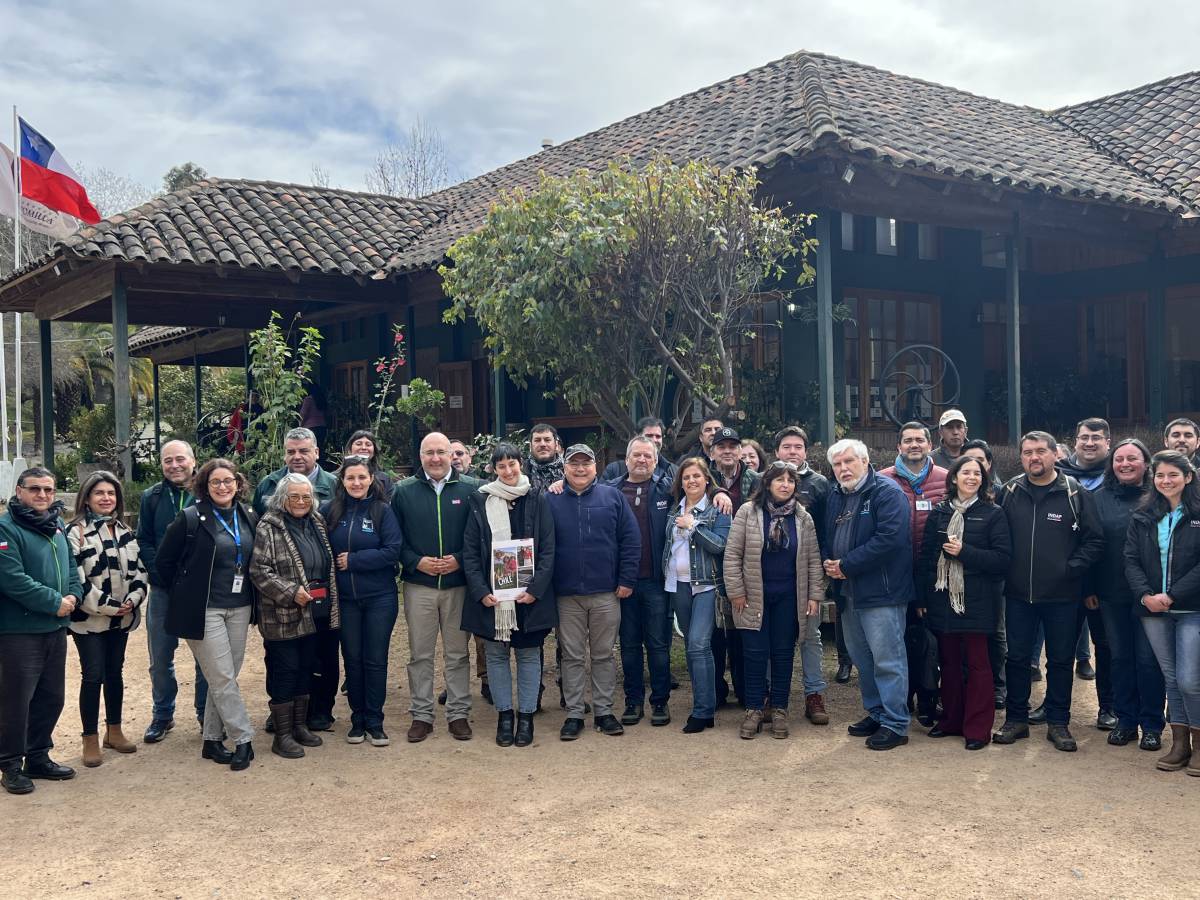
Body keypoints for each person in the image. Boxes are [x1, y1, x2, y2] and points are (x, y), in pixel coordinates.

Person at [993, 432, 1104, 753]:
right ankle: (1016, 720)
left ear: (1056, 455)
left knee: (1059, 660)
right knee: (1016, 659)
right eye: (1027, 452)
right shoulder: (1009, 492)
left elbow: (1094, 541)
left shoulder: (1075, 493)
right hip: (1017, 595)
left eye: (1041, 451)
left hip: (1062, 596)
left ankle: (1058, 723)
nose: (1034, 457)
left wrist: (1069, 570)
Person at [157, 458, 259, 771]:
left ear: (238, 484)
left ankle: (212, 739)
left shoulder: (248, 515)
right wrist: (186, 592)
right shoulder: (190, 518)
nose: (223, 486)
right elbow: (163, 564)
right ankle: (243, 738)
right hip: (205, 610)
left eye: (228, 480)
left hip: (240, 606)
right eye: (216, 481)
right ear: (205, 485)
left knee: (224, 677)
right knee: (223, 677)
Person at [462, 443, 556, 747]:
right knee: (497, 655)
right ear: (493, 469)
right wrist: (480, 591)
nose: (508, 470)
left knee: (529, 656)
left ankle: (526, 716)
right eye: (501, 465)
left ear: (521, 464)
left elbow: (548, 548)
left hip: (529, 598)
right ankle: (505, 716)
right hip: (493, 598)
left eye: (512, 463)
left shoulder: (537, 498)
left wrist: (535, 589)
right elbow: (471, 552)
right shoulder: (480, 500)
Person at [823, 440, 914, 750]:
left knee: (888, 660)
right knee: (863, 658)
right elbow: (829, 536)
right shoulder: (837, 495)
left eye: (849, 461)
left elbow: (890, 539)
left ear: (865, 461)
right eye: (837, 464)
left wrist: (846, 564)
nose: (843, 468)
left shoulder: (887, 493)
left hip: (882, 593)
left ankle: (896, 724)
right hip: (849, 593)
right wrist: (829, 560)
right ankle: (877, 713)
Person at [546, 444, 640, 740]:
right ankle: (574, 713)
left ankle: (604, 711)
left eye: (586, 463)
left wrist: (626, 579)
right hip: (566, 593)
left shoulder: (612, 497)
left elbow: (631, 540)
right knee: (571, 656)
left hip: (605, 593)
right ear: (565, 468)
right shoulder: (550, 499)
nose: (580, 468)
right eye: (574, 463)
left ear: (595, 467)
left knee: (603, 655)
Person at [917, 456, 1012, 750]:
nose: (971, 477)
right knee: (949, 663)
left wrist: (964, 552)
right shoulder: (940, 513)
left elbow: (1002, 560)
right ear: (954, 478)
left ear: (983, 480)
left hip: (979, 599)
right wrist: (922, 596)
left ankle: (977, 728)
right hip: (942, 598)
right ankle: (951, 720)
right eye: (965, 472)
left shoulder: (993, 514)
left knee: (979, 665)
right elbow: (927, 558)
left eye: (977, 473)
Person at [725, 462, 823, 740]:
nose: (785, 485)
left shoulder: (803, 517)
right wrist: (736, 591)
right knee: (754, 655)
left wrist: (815, 594)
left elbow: (814, 559)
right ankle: (754, 709)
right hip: (753, 596)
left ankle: (779, 709)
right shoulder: (748, 512)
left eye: (790, 480)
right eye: (779, 480)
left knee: (782, 654)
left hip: (789, 598)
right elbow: (732, 555)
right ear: (767, 484)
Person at [392, 431, 479, 743]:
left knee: (457, 653)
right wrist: (416, 562)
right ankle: (422, 714)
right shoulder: (403, 491)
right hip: (420, 586)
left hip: (458, 585)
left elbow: (480, 536)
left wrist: (460, 559)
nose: (436, 458)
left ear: (452, 455)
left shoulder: (472, 489)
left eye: (442, 452)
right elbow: (394, 538)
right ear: (420, 456)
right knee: (420, 654)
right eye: (430, 453)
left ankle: (458, 713)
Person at [0, 468, 83, 795]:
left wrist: (74, 594)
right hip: (19, 631)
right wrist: (54, 602)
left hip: (54, 627)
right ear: (19, 491)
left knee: (51, 697)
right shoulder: (6, 528)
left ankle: (38, 756)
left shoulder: (57, 524)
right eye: (35, 489)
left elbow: (71, 567)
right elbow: (12, 579)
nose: (43, 496)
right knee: (15, 700)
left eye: (48, 490)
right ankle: (9, 763)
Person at [253, 427, 340, 732]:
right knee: (283, 662)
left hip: (320, 601)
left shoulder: (334, 486)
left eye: (304, 450)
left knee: (319, 659)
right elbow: (259, 560)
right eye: (291, 451)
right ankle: (282, 718)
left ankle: (316, 713)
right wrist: (290, 590)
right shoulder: (269, 488)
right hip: (285, 604)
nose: (297, 456)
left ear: (316, 452)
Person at [1124, 450, 1200, 776]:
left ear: (1188, 477)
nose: (1166, 481)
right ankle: (1179, 743)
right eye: (1160, 475)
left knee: (1190, 680)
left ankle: (1199, 742)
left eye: (1173, 475)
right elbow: (1130, 559)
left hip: (1190, 607)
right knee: (1170, 677)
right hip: (1152, 609)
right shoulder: (1143, 515)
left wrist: (1172, 595)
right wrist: (1145, 595)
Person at [66, 472, 148, 768]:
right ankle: (89, 737)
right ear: (86, 497)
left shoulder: (124, 530)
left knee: (115, 672)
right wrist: (110, 606)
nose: (105, 498)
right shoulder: (74, 532)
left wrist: (133, 599)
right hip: (89, 620)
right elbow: (76, 579)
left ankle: (114, 730)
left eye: (111, 493)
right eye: (99, 493)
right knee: (93, 674)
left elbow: (140, 570)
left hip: (121, 618)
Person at [1089, 439, 1164, 750]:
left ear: (1146, 463)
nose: (1125, 464)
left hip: (1150, 595)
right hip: (1111, 593)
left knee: (1148, 661)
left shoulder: (1160, 498)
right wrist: (1089, 588)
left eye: (1133, 458)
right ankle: (1125, 720)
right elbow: (1090, 545)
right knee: (1120, 658)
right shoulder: (1096, 499)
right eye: (1119, 459)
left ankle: (1151, 724)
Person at [322, 456, 402, 746]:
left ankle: (375, 721)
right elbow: (319, 549)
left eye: (362, 477)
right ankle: (357, 720)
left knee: (375, 660)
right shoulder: (330, 511)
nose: (356, 483)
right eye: (350, 478)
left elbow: (393, 551)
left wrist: (354, 560)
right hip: (345, 600)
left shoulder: (383, 511)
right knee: (352, 659)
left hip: (380, 597)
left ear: (372, 480)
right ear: (342, 481)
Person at [138, 439, 207, 743]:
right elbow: (144, 540)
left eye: (180, 459)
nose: (175, 465)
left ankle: (207, 715)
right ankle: (162, 714)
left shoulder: (209, 492)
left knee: (206, 657)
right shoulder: (151, 497)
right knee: (160, 656)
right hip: (163, 589)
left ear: (194, 460)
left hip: (199, 591)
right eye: (168, 461)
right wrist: (160, 573)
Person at [880, 421, 948, 724]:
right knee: (900, 639)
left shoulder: (947, 479)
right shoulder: (882, 480)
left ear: (930, 444)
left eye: (919, 440)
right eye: (907, 440)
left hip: (937, 574)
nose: (913, 445)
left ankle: (930, 697)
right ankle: (902, 697)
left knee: (934, 640)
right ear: (898, 447)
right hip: (895, 574)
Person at [608, 436, 675, 726]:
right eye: (637, 455)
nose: (642, 460)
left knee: (659, 646)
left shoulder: (668, 490)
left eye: (648, 456)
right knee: (629, 645)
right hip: (622, 584)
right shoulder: (609, 491)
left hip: (656, 583)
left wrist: (721, 492)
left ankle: (660, 702)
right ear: (626, 459)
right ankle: (633, 701)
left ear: (656, 460)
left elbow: (702, 487)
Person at [1049, 417, 1113, 713]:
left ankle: (1109, 708)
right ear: (1075, 441)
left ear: (1107, 443)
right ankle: (1053, 706)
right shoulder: (1058, 477)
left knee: (1107, 648)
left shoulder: (1118, 477)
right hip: (1065, 579)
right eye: (1084, 437)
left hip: (1105, 581)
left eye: (1096, 438)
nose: (1089, 443)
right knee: (1060, 650)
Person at [664, 457, 730, 734]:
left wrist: (694, 526)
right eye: (686, 477)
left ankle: (703, 712)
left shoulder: (718, 510)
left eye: (696, 476)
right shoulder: (673, 509)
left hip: (706, 586)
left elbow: (720, 546)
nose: (691, 481)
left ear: (706, 480)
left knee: (698, 645)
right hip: (677, 585)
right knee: (691, 650)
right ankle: (705, 701)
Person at [772, 425, 833, 722]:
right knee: (772, 634)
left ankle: (814, 694)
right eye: (786, 446)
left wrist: (824, 573)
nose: (792, 451)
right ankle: (773, 693)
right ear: (776, 451)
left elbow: (828, 529)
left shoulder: (820, 484)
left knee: (810, 635)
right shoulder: (765, 481)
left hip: (810, 571)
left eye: (798, 447)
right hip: (773, 574)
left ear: (806, 452)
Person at [709, 426, 761, 708]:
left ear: (741, 451)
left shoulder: (757, 481)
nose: (727, 451)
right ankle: (717, 690)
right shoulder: (703, 478)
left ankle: (745, 689)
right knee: (715, 632)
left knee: (744, 631)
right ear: (712, 452)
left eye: (733, 446)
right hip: (712, 566)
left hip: (747, 566)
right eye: (721, 446)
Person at [962, 438, 1009, 708]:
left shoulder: (1002, 494)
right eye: (968, 462)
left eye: (980, 461)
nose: (974, 467)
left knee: (997, 633)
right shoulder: (952, 503)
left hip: (992, 579)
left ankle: (998, 685)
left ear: (988, 465)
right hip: (962, 582)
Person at [603, 417, 677, 483]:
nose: (654, 440)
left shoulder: (673, 471)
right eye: (649, 436)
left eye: (658, 436)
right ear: (637, 436)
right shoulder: (614, 470)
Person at [344, 429, 393, 494]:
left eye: (368, 444)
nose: (364, 447)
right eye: (358, 444)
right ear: (349, 450)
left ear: (374, 451)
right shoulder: (335, 478)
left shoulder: (384, 480)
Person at [526, 423, 565, 492]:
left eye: (547, 440)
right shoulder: (522, 472)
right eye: (537, 440)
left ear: (556, 445)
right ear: (530, 446)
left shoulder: (568, 471)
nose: (542, 444)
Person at [298, 383, 328, 452]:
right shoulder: (322, 400)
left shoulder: (308, 399)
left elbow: (303, 414)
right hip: (322, 427)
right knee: (320, 448)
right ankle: (321, 462)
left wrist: (300, 426)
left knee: (310, 449)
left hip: (310, 428)